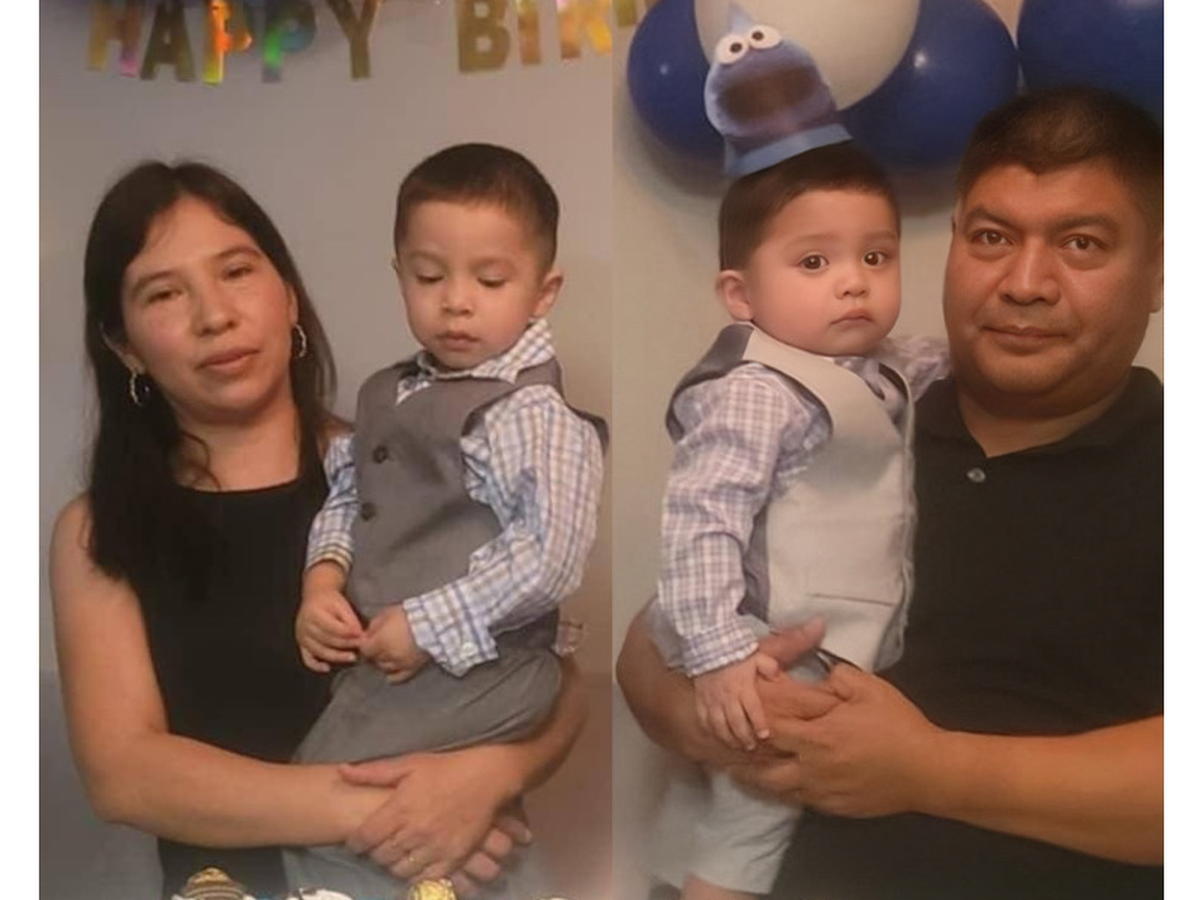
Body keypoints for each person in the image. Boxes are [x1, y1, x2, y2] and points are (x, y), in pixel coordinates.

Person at [618, 85, 1163, 900]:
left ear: (1157, 272)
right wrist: (724, 715)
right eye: (992, 237)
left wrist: (930, 772)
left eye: (1081, 244)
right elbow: (647, 649)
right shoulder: (845, 408)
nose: (1025, 282)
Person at [49, 160, 588, 900]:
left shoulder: (404, 464)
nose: (215, 315)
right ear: (125, 345)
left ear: (288, 295)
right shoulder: (97, 531)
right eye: (164, 293)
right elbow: (126, 775)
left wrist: (492, 775)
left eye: (236, 272)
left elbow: (550, 670)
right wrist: (393, 814)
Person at [284, 143, 606, 900]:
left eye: (490, 280)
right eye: (429, 277)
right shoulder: (388, 393)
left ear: (544, 290)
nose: (456, 301)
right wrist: (322, 579)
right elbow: (351, 494)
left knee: (334, 791)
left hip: (488, 666)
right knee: (376, 803)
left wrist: (427, 624)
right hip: (398, 662)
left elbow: (551, 556)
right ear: (399, 273)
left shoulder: (531, 413)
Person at [644, 142, 947, 900]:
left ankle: (672, 876)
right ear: (741, 294)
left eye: (876, 257)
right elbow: (700, 521)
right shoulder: (757, 392)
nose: (854, 281)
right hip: (759, 635)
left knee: (708, 801)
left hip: (812, 630)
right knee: (759, 809)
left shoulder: (881, 368)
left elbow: (920, 367)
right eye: (814, 262)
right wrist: (719, 654)